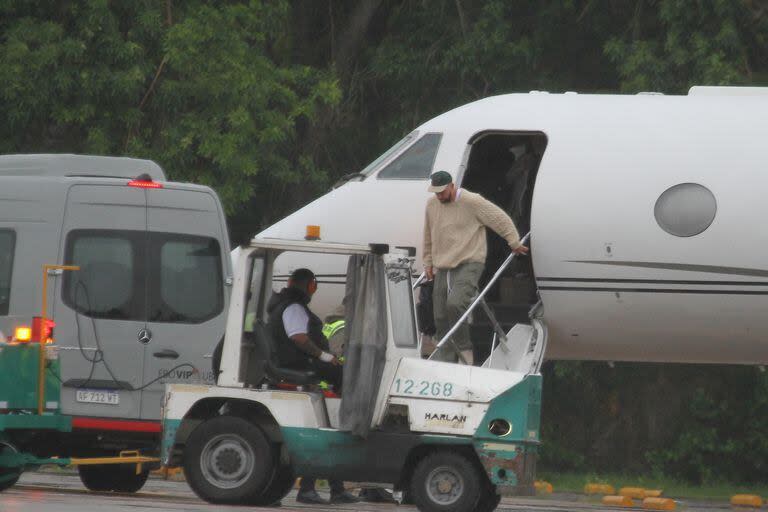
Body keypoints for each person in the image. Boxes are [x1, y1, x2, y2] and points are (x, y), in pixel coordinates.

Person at [266, 268, 359, 505]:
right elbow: (298, 337)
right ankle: (316, 489)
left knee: (330, 427)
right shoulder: (293, 307)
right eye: (313, 286)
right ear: (310, 286)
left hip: (302, 364)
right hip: (304, 365)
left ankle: (335, 489)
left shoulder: (283, 305)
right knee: (345, 390)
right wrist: (324, 357)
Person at [422, 170, 529, 365]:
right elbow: (428, 235)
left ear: (452, 186)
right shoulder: (432, 205)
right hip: (443, 265)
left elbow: (499, 218)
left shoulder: (472, 201)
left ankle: (464, 349)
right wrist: (427, 262)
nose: (439, 196)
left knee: (455, 304)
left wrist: (513, 241)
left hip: (470, 261)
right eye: (436, 193)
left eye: (443, 192)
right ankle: (446, 359)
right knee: (439, 315)